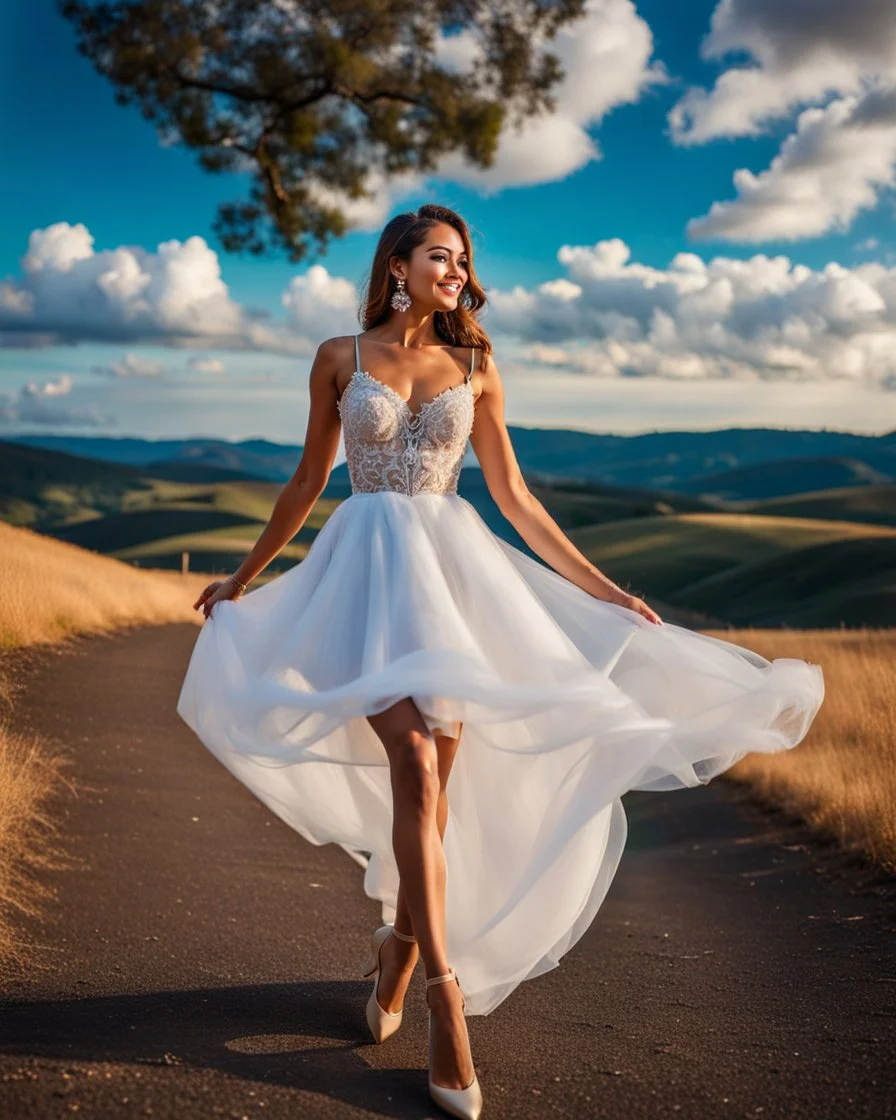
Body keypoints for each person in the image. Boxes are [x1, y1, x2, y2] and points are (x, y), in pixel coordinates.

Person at [177, 203, 825, 1120]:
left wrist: (603, 589)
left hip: (453, 589)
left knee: (433, 793)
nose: (457, 269)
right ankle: (447, 1000)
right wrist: (242, 576)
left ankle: (398, 950)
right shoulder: (339, 357)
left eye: (463, 258)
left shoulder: (475, 365)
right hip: (363, 584)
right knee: (410, 762)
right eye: (439, 255)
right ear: (396, 265)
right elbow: (308, 480)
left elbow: (514, 495)